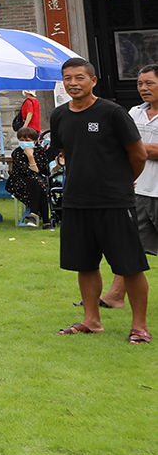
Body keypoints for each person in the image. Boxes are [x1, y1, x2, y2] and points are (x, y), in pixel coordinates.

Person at [49, 58, 149, 342]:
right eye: (67, 78)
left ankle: (139, 326)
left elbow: (138, 155)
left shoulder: (113, 113)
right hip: (76, 200)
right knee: (85, 264)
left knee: (129, 265)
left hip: (114, 201)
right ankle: (91, 320)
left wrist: (122, 181)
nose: (73, 83)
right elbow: (65, 152)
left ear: (93, 81)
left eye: (79, 77)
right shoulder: (59, 116)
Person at [102, 64, 158, 310]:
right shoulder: (134, 112)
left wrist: (133, 147)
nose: (143, 88)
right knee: (130, 245)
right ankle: (115, 295)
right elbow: (116, 142)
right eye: (139, 84)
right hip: (137, 189)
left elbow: (125, 146)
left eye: (149, 83)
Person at [5, 127, 52, 229]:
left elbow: (45, 170)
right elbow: (29, 171)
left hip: (36, 181)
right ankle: (45, 222)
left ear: (35, 141)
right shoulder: (17, 153)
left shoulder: (41, 151)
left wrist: (32, 157)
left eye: (27, 140)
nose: (24, 143)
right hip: (19, 181)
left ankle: (34, 216)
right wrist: (30, 157)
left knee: (37, 183)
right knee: (38, 184)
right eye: (21, 140)